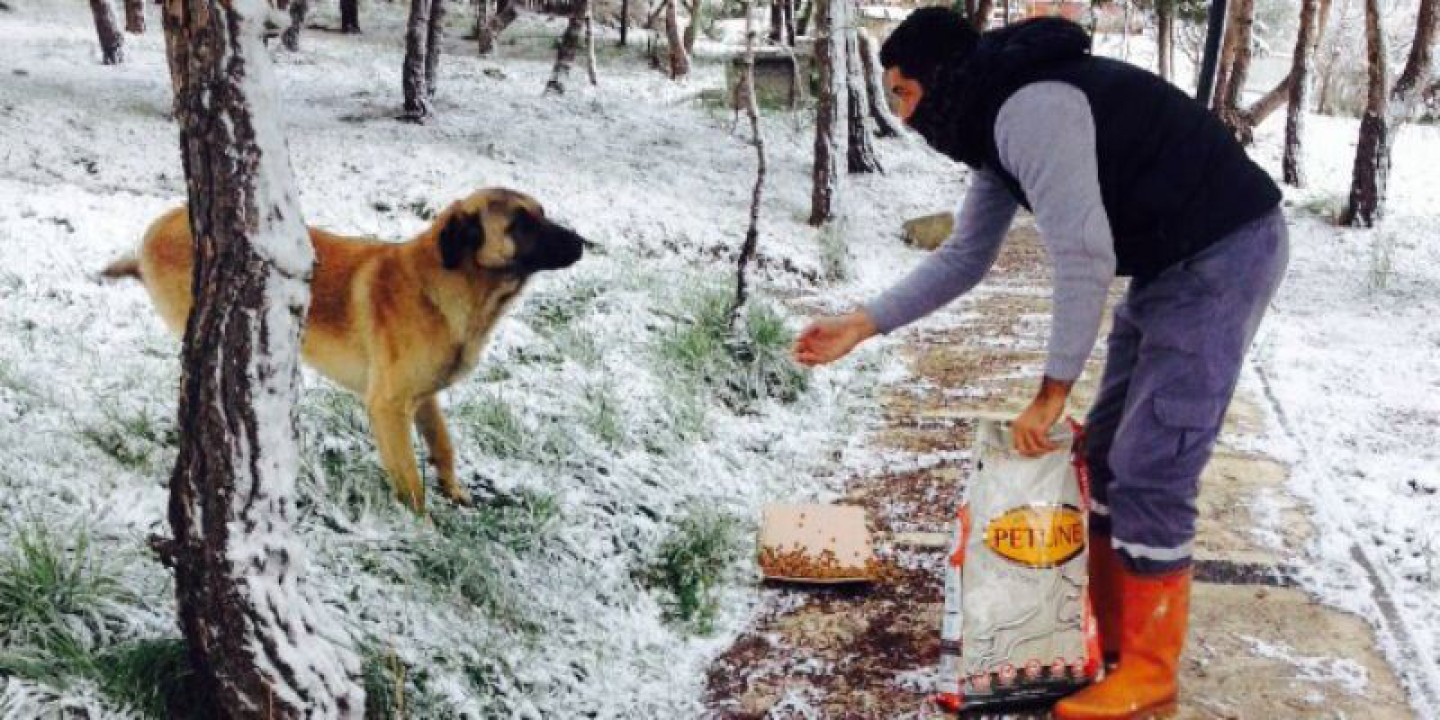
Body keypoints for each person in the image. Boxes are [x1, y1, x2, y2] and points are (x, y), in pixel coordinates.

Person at [791, 9, 1288, 719]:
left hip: (1226, 250)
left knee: (1155, 458)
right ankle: (1112, 637)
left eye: (902, 94)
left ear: (938, 80)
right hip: (1171, 261)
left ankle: (1150, 670)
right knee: (1112, 452)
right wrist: (863, 324)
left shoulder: (1029, 108)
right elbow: (966, 257)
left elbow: (1084, 254)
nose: (902, 117)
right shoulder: (995, 120)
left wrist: (1051, 393)